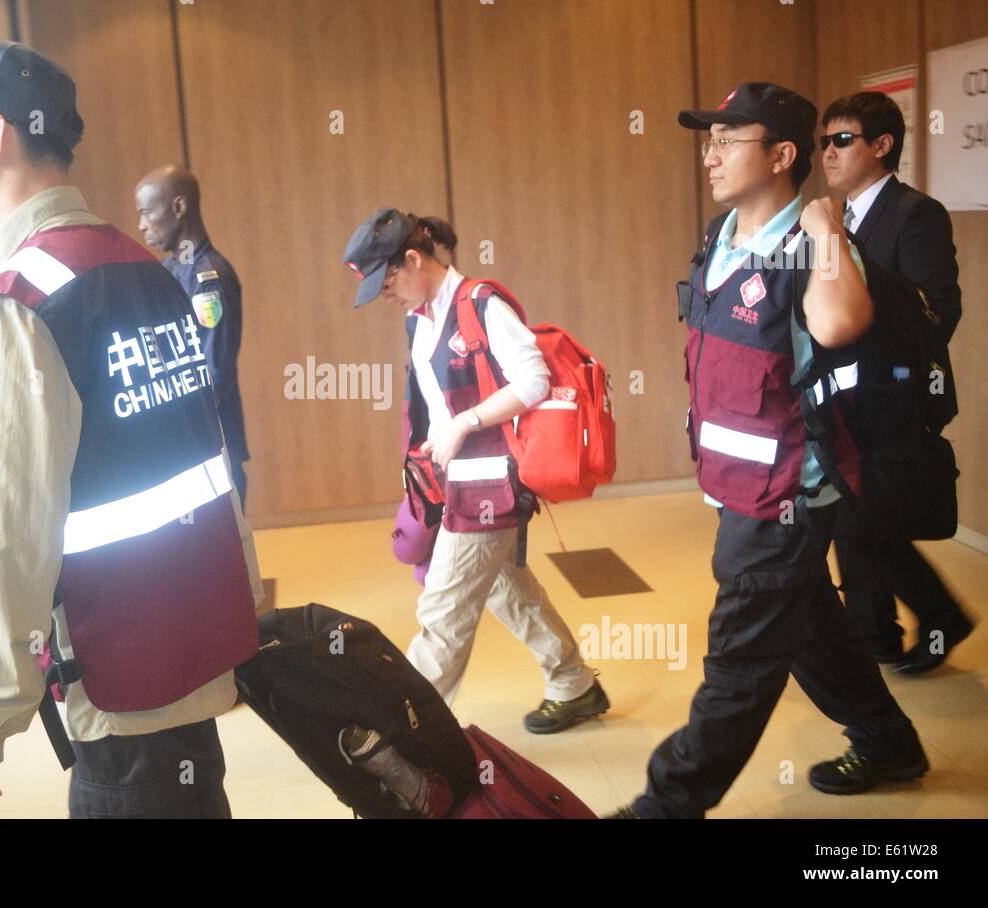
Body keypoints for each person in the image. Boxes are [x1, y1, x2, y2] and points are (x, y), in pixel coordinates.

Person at [0, 38, 261, 818]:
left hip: (120, 678)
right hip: (192, 651)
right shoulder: (139, 268)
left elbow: (4, 532)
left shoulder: (21, 297)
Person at [615, 83, 927, 818]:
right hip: (738, 484)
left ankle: (664, 807)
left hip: (787, 494)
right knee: (811, 623)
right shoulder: (720, 239)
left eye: (729, 140)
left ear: (783, 155)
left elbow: (842, 323)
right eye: (708, 140)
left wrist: (828, 230)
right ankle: (889, 743)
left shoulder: (804, 245)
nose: (711, 155)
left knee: (739, 664)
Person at [343, 207, 608, 734]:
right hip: (456, 482)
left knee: (442, 613)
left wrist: (466, 422)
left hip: (494, 485)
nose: (386, 296)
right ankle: (574, 683)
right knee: (507, 588)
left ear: (414, 259)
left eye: (387, 281)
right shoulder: (418, 321)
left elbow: (532, 381)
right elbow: (428, 408)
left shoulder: (482, 305)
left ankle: (407, 737)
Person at [820, 90, 973, 674]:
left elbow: (939, 308)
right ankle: (876, 633)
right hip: (846, 395)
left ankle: (932, 619)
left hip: (897, 395)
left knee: (861, 518)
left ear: (882, 145)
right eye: (824, 143)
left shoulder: (915, 213)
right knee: (853, 516)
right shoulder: (843, 216)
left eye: (842, 140)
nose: (829, 155)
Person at [135, 166, 250, 507]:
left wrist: (171, 429)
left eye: (147, 212)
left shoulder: (208, 279)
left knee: (224, 557)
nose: (141, 224)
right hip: (185, 452)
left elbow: (215, 376)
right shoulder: (171, 272)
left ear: (179, 208)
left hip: (211, 449)